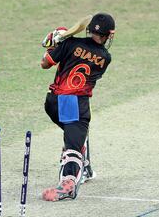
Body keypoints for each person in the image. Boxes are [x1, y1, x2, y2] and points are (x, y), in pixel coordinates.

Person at [39, 13, 115, 201]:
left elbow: (44, 63)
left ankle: (86, 167)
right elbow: (86, 57)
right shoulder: (105, 57)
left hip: (52, 101)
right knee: (73, 145)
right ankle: (69, 184)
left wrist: (56, 43)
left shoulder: (69, 43)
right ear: (107, 35)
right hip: (74, 103)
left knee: (78, 136)